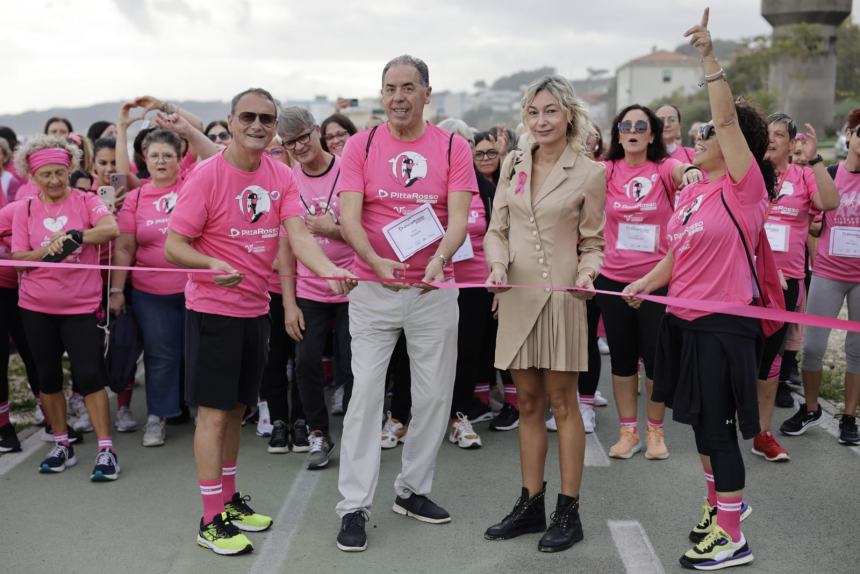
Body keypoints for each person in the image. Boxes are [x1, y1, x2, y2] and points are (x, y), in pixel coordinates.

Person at [164, 87, 354, 556]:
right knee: (211, 415)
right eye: (247, 116)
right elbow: (175, 246)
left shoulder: (280, 174)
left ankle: (228, 502)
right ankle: (210, 520)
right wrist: (210, 267)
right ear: (230, 121)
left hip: (253, 310)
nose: (257, 125)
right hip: (212, 310)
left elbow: (298, 236)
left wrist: (330, 270)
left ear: (276, 129)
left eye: (266, 119)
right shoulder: (206, 176)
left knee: (235, 411)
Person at [622, 9, 769, 569]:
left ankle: (733, 538)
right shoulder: (692, 193)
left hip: (722, 326)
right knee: (700, 432)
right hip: (682, 321)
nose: (704, 137)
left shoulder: (742, 187)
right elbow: (673, 256)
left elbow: (727, 123)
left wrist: (709, 58)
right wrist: (644, 281)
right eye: (702, 134)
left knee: (718, 429)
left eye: (710, 134)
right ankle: (719, 507)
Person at [334, 55, 476, 552]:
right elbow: (349, 217)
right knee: (366, 397)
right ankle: (354, 505)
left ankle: (412, 491)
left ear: (427, 93)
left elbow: (457, 217)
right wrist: (372, 260)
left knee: (434, 397)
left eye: (408, 87)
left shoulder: (454, 146)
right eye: (390, 87)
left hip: (433, 291)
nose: (397, 97)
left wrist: (439, 259)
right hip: (373, 292)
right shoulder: (362, 143)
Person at [483, 74, 605, 553]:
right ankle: (530, 504)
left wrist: (588, 274)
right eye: (533, 112)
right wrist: (496, 263)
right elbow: (497, 228)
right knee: (526, 403)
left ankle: (568, 513)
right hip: (515, 297)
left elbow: (593, 242)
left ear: (568, 114)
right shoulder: (513, 162)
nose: (541, 120)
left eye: (550, 110)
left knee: (562, 404)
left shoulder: (589, 172)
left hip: (562, 300)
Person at [12, 136, 121, 481]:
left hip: (80, 306)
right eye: (46, 174)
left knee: (90, 376)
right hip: (36, 306)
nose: (55, 181)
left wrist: (76, 236)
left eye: (60, 172)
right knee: (47, 378)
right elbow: (18, 259)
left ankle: (106, 449)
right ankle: (62, 443)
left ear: (70, 169)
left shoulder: (87, 201)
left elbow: (110, 229)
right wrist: (50, 251)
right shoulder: (25, 209)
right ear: (33, 175)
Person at [597, 104, 701, 460]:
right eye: (626, 125)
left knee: (656, 362)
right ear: (618, 133)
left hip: (657, 281)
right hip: (613, 280)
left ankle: (655, 432)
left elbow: (681, 169)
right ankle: (629, 432)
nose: (633, 130)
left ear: (652, 134)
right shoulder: (607, 169)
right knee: (623, 361)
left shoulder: (663, 168)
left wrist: (689, 173)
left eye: (641, 125)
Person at [750, 112, 839, 462]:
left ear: (791, 143)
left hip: (785, 283)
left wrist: (816, 160)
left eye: (778, 135)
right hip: (744, 280)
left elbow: (830, 203)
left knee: (770, 360)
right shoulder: (750, 173)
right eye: (766, 134)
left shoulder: (803, 176)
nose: (771, 139)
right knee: (738, 353)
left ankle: (762, 432)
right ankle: (726, 422)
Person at [278, 106, 355, 468]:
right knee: (306, 363)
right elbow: (286, 248)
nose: (298, 146)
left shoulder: (349, 169)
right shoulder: (287, 181)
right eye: (290, 142)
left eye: (303, 137)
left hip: (353, 283)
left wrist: (332, 229)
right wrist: (289, 304)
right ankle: (317, 433)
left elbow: (366, 231)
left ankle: (356, 434)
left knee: (354, 363)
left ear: (317, 131)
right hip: (309, 291)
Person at [780, 107, 860, 446]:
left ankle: (849, 416)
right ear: (850, 136)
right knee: (812, 347)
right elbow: (813, 221)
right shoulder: (828, 172)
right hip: (827, 272)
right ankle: (811, 409)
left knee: (857, 350)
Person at [109, 129, 188, 447]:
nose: (160, 161)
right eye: (154, 155)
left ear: (180, 159)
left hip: (195, 289)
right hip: (150, 293)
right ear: (145, 159)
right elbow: (125, 248)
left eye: (168, 155)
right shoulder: (135, 197)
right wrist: (116, 290)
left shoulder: (194, 188)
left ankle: (201, 411)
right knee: (161, 355)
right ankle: (158, 416)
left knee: (195, 352)